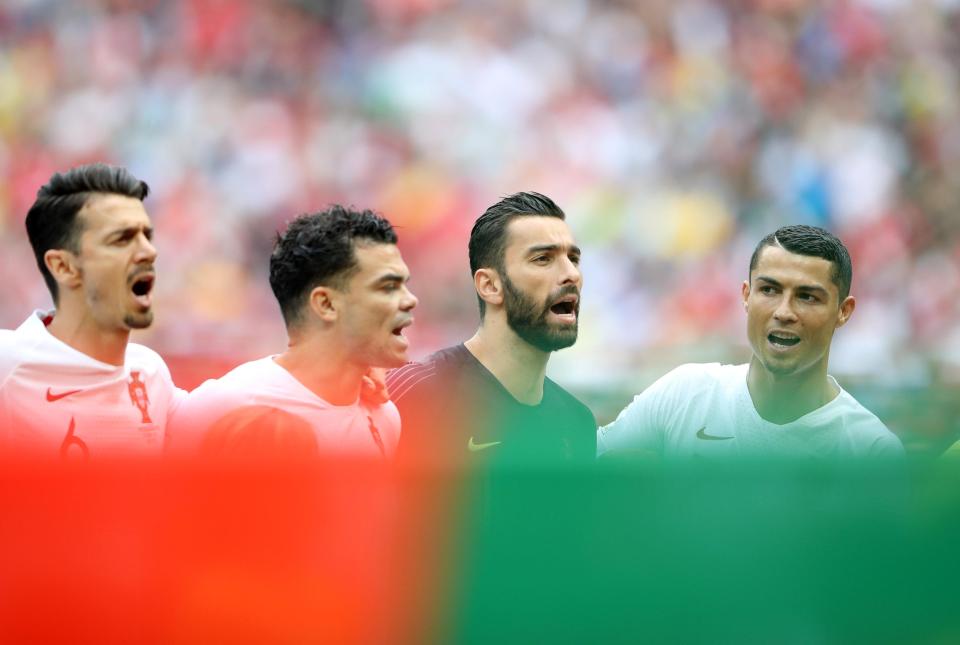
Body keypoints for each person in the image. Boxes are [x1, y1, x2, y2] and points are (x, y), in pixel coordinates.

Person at [597, 224, 903, 459]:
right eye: (769, 290)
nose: (784, 312)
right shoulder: (684, 394)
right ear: (746, 296)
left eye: (807, 297)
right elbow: (581, 472)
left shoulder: (871, 450)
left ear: (843, 311)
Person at [168, 206, 416, 457]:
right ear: (326, 304)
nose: (410, 300)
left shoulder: (384, 418)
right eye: (388, 287)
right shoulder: (224, 405)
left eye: (404, 285)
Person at [386, 192, 596, 466]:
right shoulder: (417, 395)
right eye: (543, 258)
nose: (572, 274)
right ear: (490, 286)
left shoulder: (577, 422)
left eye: (573, 259)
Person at [0, 163, 181, 457]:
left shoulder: (151, 374)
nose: (149, 250)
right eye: (122, 239)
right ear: (63, 266)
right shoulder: (7, 365)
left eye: (147, 235)